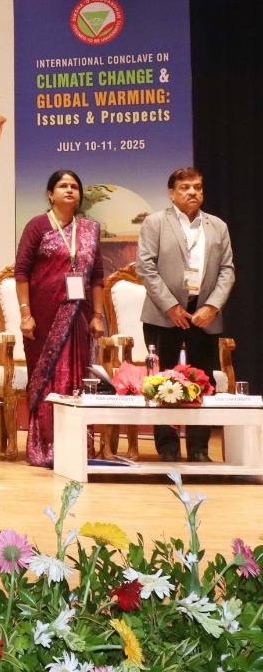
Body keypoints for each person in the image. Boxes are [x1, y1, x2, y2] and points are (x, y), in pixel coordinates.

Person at [136, 167, 235, 462]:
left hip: (204, 315)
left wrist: (212, 306)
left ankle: (199, 449)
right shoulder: (155, 223)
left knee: (202, 380)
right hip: (163, 313)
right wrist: (170, 306)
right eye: (185, 187)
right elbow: (145, 267)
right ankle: (167, 447)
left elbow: (227, 270)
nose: (193, 192)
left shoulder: (218, 226)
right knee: (162, 380)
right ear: (172, 193)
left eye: (197, 187)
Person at [15, 169, 105, 467]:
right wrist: (25, 314)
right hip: (43, 317)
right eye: (63, 186)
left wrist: (98, 316)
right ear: (50, 194)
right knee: (46, 378)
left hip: (80, 317)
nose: (69, 190)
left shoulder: (90, 229)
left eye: (74, 186)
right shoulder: (37, 225)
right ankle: (45, 447)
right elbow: (22, 272)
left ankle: (77, 446)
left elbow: (97, 276)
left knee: (78, 377)